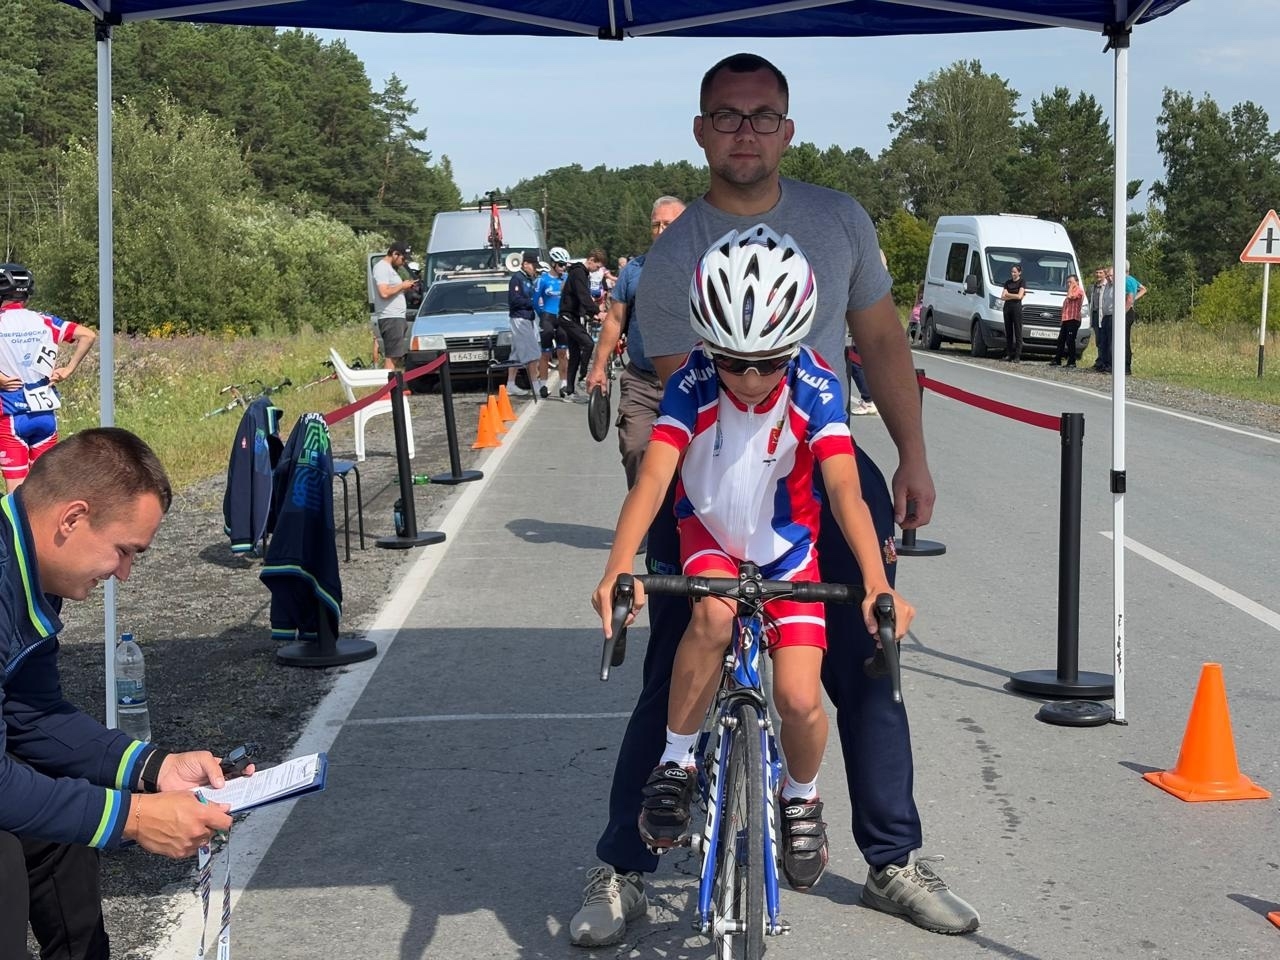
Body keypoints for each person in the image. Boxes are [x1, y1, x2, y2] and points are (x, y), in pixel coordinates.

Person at [569, 52, 978, 948]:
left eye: (762, 116)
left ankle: (892, 860)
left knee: (869, 658)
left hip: (818, 461)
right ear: (701, 130)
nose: (745, 131)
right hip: (717, 475)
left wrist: (911, 455)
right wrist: (626, 565)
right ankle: (623, 865)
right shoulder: (677, 255)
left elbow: (882, 342)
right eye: (727, 115)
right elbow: (709, 402)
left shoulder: (839, 219)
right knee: (679, 651)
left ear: (787, 130)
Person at [592, 225, 915, 893]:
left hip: (788, 552)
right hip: (709, 537)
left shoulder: (814, 382)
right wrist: (618, 565)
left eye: (768, 363)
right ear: (709, 346)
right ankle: (677, 762)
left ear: (792, 347)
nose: (749, 378)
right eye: (733, 362)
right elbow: (654, 478)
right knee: (710, 618)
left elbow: (844, 489)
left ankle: (801, 796)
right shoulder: (693, 381)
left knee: (798, 697)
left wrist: (876, 581)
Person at [0, 427, 246, 959]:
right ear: (72, 518)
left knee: (64, 823)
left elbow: (33, 714)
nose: (125, 574)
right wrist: (135, 817)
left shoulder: (28, 569)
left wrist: (156, 769)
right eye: (123, 551)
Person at [585, 196, 686, 489]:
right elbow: (615, 320)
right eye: (656, 225)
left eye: (669, 224)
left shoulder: (702, 267)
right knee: (635, 448)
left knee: (692, 461)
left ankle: (679, 515)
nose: (661, 231)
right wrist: (598, 368)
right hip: (641, 380)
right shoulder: (634, 271)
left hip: (690, 383)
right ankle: (645, 514)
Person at [0, 263, 98, 493]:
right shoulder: (44, 320)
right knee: (45, 489)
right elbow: (88, 335)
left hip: (11, 414)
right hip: (45, 415)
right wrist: (68, 369)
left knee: (17, 493)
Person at [556, 249, 605, 403]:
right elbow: (583, 295)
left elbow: (581, 298)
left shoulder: (582, 274)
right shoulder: (579, 273)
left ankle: (569, 390)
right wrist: (597, 312)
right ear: (591, 260)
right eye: (597, 266)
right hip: (567, 316)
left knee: (575, 354)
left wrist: (591, 314)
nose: (596, 270)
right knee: (588, 343)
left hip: (575, 316)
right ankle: (583, 377)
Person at [371, 242, 417, 371]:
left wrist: (405, 288)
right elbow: (384, 292)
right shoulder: (382, 268)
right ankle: (387, 383)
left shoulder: (389, 269)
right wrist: (402, 285)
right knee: (392, 357)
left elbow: (392, 290)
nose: (404, 262)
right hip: (390, 318)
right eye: (403, 258)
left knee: (395, 356)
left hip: (396, 317)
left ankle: (391, 382)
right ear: (395, 254)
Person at [535, 247, 571, 399]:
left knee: (562, 353)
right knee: (545, 353)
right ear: (553, 264)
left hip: (562, 317)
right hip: (548, 316)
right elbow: (535, 301)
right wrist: (542, 315)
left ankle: (564, 384)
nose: (563, 268)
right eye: (561, 264)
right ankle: (543, 384)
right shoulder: (542, 279)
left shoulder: (567, 278)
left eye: (565, 265)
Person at [505, 251, 542, 397]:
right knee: (532, 352)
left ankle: (510, 384)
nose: (535, 269)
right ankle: (535, 384)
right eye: (533, 265)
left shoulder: (528, 279)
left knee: (516, 352)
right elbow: (514, 300)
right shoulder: (517, 279)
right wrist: (532, 302)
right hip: (520, 318)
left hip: (527, 317)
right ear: (525, 264)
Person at [1050, 273, 1084, 367]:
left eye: (1071, 282)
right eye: (1068, 282)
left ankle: (1072, 361)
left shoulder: (1079, 291)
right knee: (1061, 340)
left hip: (1073, 319)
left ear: (1077, 282)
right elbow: (1065, 307)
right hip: (1066, 319)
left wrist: (1072, 287)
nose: (1069, 284)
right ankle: (1057, 359)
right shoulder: (1069, 292)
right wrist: (1062, 319)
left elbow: (1071, 296)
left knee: (1070, 340)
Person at [1122, 261, 1148, 376]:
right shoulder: (1132, 279)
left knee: (1124, 339)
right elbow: (1143, 289)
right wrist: (1135, 299)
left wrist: (1124, 310)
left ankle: (1126, 366)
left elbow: (1129, 298)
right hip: (1130, 310)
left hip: (1127, 311)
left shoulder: (1126, 280)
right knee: (1124, 338)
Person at [1000, 263, 1026, 362]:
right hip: (1007, 308)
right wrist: (1013, 295)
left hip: (1016, 308)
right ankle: (1009, 354)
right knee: (1009, 331)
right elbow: (1002, 297)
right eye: (1012, 272)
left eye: (1015, 272)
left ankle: (1017, 355)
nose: (1013, 274)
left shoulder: (1022, 282)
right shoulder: (1007, 282)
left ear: (1019, 272)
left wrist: (1009, 295)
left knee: (1018, 331)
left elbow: (1019, 296)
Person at [1095, 266, 1116, 373]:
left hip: (1113, 316)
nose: (1109, 278)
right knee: (1103, 341)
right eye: (1107, 276)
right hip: (1105, 316)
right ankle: (1103, 363)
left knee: (1111, 342)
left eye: (1111, 276)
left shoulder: (1118, 286)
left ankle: (1111, 365)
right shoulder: (1107, 286)